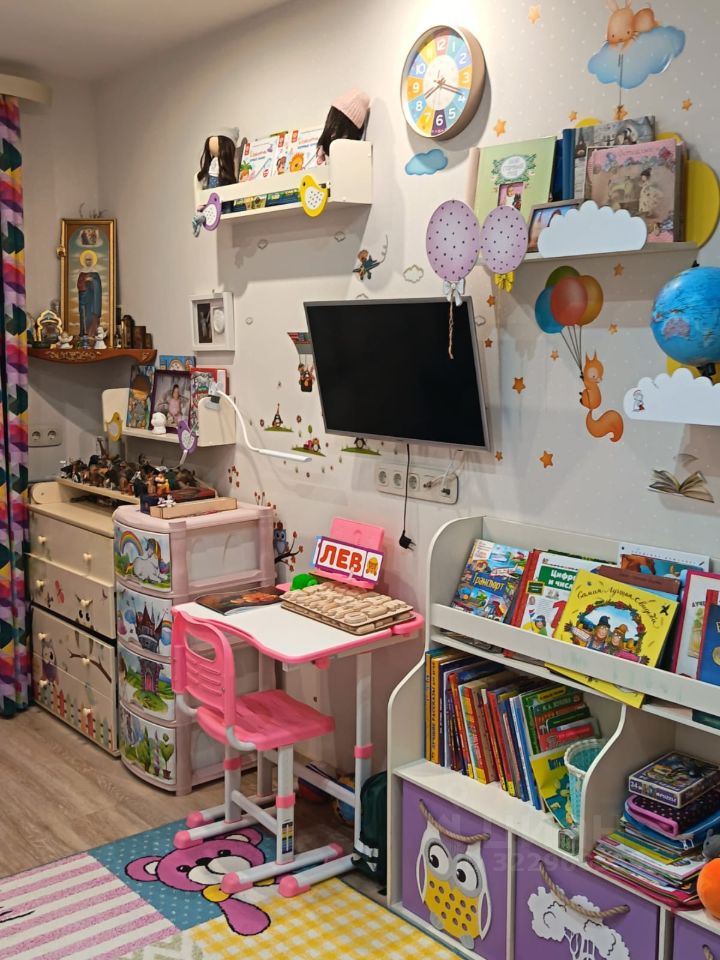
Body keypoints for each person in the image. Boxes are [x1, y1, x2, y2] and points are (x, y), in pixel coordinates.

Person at [77, 249, 102, 338]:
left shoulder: (95, 273)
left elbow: (98, 287)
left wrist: (92, 281)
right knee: (84, 316)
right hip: (84, 299)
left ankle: (92, 334)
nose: (88, 261)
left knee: (92, 316)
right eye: (87, 260)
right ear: (84, 261)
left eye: (90, 260)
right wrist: (84, 282)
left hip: (93, 300)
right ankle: (84, 334)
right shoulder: (82, 273)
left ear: (92, 261)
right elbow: (79, 285)